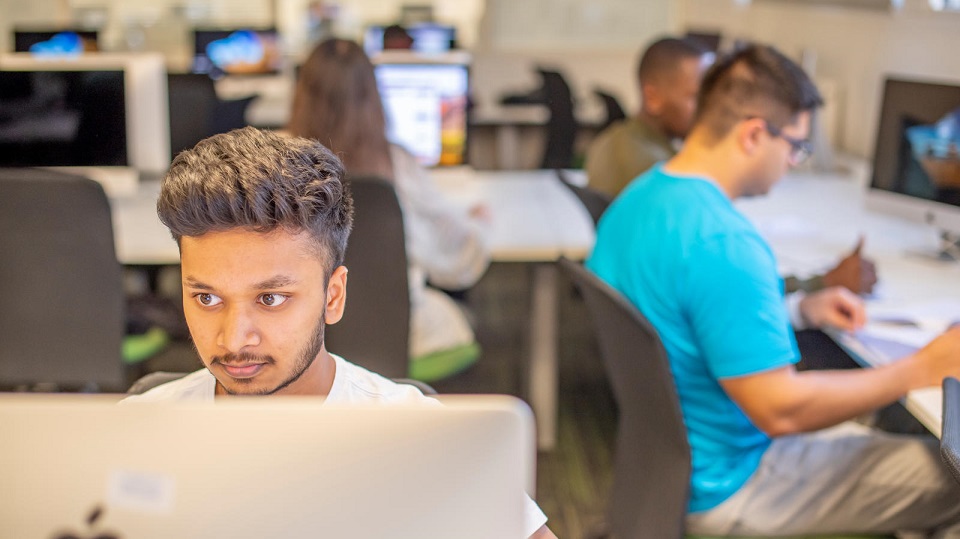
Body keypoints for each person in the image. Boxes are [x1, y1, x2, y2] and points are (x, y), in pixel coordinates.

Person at [587, 44, 960, 537]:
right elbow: (782, 408)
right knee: (948, 473)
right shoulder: (727, 243)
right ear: (754, 134)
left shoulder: (639, 199)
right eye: (795, 147)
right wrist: (921, 368)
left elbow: (684, 320)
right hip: (737, 481)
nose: (794, 163)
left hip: (673, 467)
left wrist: (801, 309)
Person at [122, 127, 555, 539]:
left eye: (271, 299)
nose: (234, 340)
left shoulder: (424, 439)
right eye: (207, 299)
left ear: (333, 296)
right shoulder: (132, 433)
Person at [586, 35, 876, 295]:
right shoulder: (706, 227)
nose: (706, 108)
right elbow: (729, 279)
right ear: (754, 135)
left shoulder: (639, 170)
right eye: (695, 97)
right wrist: (819, 283)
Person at [287, 38, 489, 381]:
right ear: (372, 97)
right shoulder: (398, 166)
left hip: (299, 339)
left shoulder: (273, 165)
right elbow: (454, 259)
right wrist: (475, 225)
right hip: (397, 333)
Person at [585, 37, 712, 199]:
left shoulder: (608, 140)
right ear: (653, 98)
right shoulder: (661, 170)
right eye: (696, 97)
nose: (708, 109)